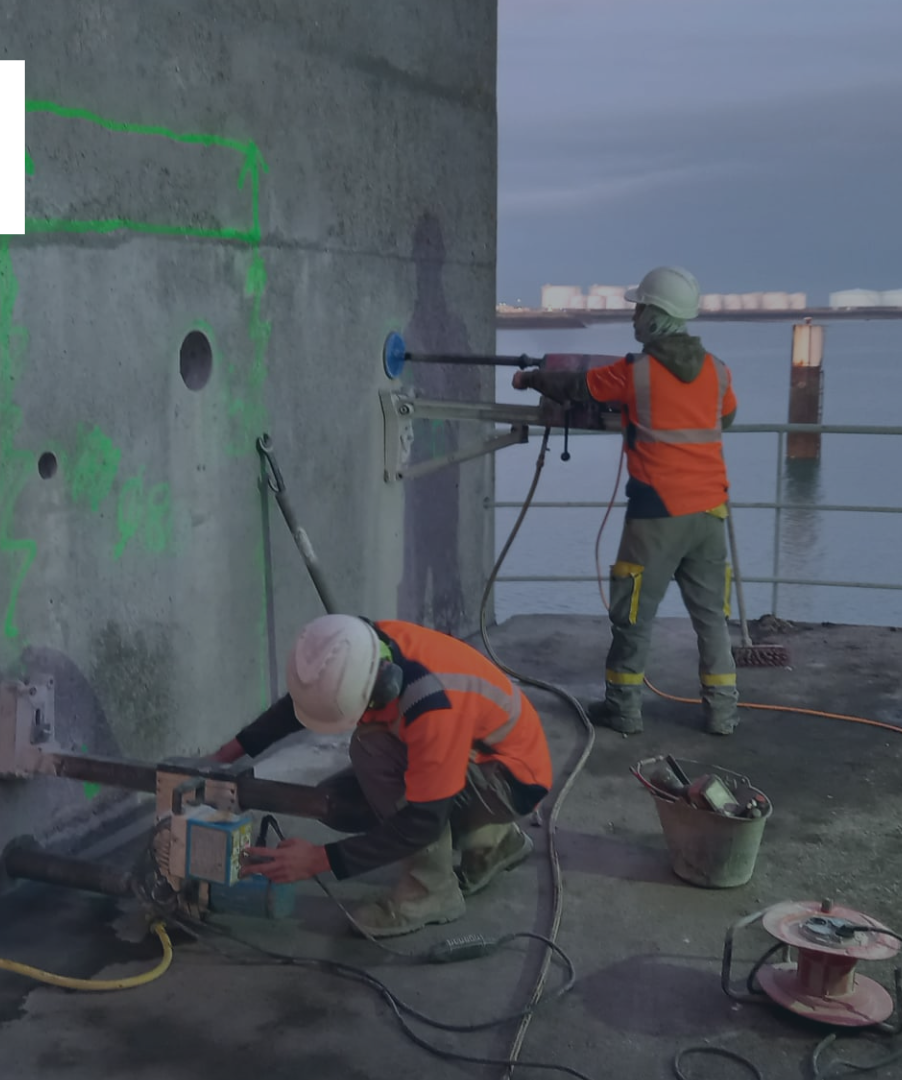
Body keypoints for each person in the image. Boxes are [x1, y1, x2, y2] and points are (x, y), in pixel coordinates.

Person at [211, 614, 554, 937]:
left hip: (510, 781)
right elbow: (305, 701)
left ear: (381, 690)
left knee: (370, 747)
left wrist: (318, 860)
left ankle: (431, 892)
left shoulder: (431, 704)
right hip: (487, 758)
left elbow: (422, 823)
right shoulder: (360, 646)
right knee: (341, 802)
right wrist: (226, 755)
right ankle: (492, 840)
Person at [512, 265, 741, 736]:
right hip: (711, 515)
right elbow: (728, 416)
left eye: (639, 308)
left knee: (633, 616)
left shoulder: (637, 374)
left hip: (656, 516)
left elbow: (579, 386)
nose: (634, 316)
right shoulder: (718, 370)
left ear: (656, 317)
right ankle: (723, 713)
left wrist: (531, 379)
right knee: (712, 620)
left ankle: (623, 710)